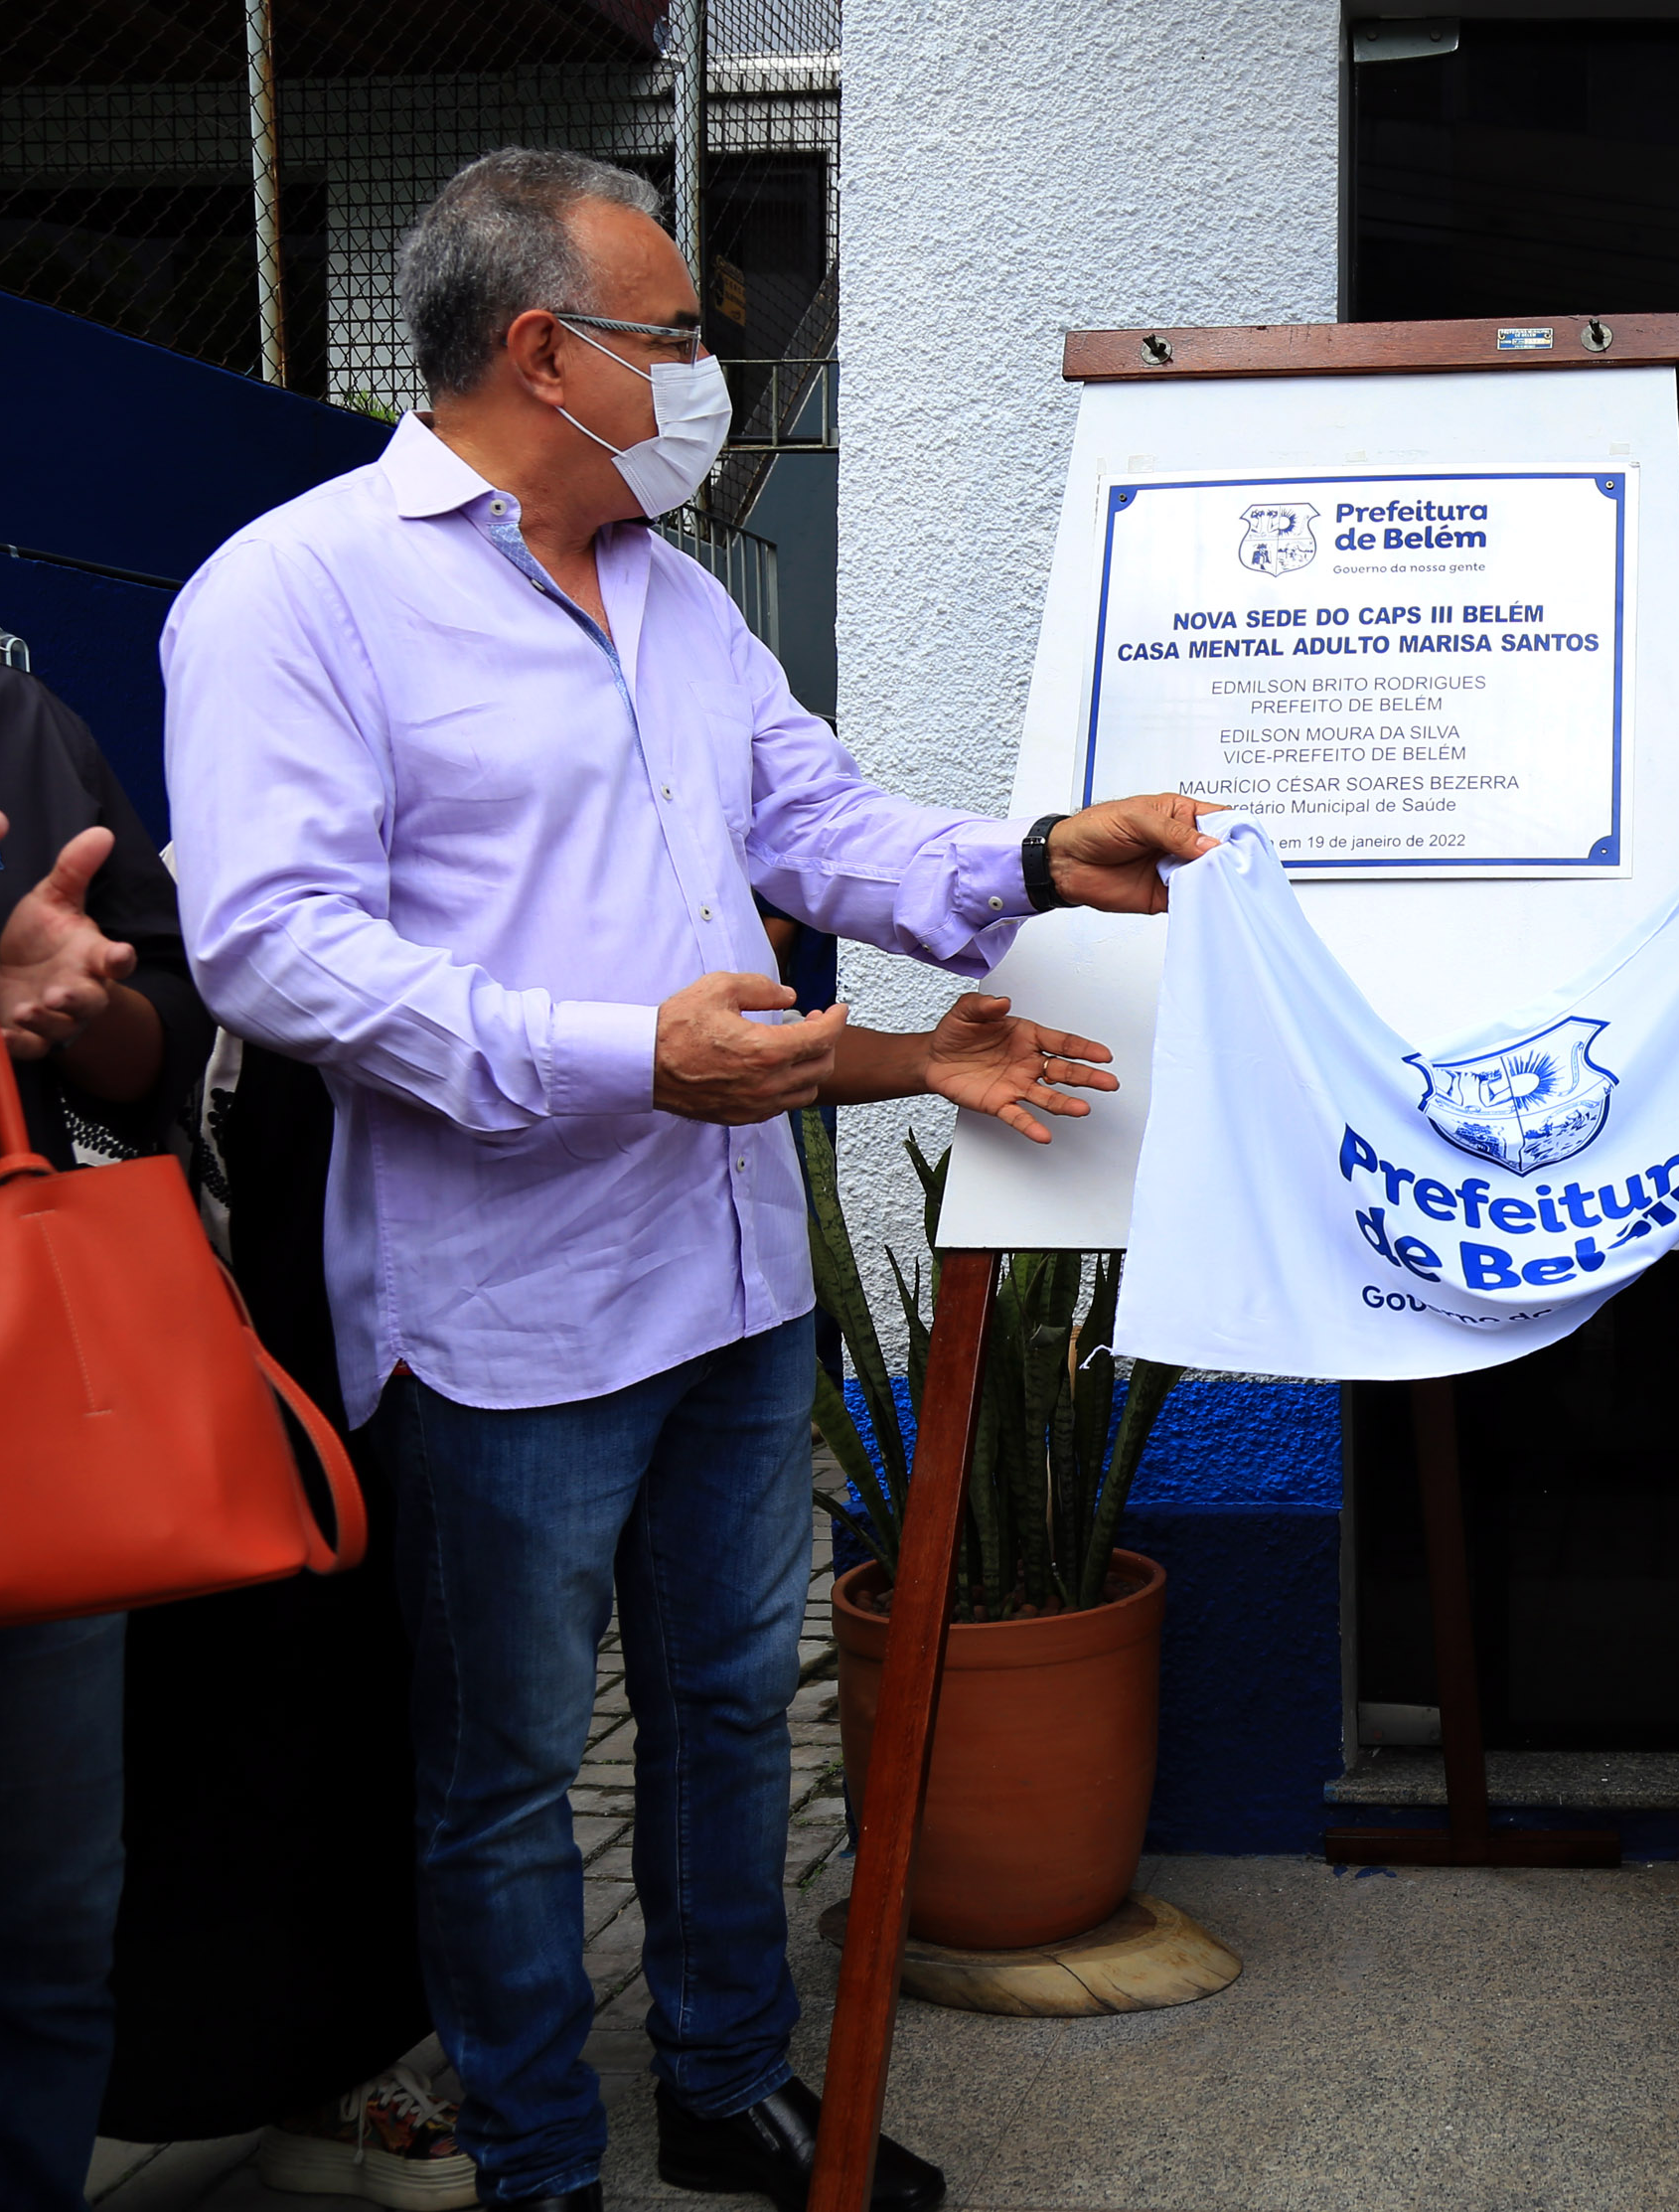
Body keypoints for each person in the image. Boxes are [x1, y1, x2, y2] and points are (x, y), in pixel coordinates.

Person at [161, 147, 1209, 2212]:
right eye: (680, 339)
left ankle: (726, 2087)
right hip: (503, 1313)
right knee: (505, 1776)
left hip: (730, 1287)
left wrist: (1017, 863)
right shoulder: (294, 592)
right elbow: (272, 946)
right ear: (543, 354)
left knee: (735, 1712)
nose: (710, 375)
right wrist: (616, 1050)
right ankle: (540, 2156)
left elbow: (812, 820)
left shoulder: (670, 592)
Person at [0, 637, 215, 2211]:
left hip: (13, 1426)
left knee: (35, 1942)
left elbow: (154, 1034)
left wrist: (69, 1005)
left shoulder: (9, 719)